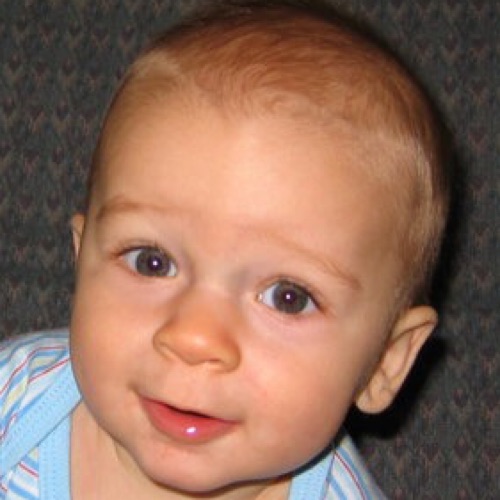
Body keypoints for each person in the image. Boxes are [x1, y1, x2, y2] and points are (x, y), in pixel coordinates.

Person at [0, 0, 450, 498]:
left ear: (386, 360)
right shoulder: (14, 397)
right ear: (82, 258)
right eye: (152, 262)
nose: (194, 338)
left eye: (288, 297)